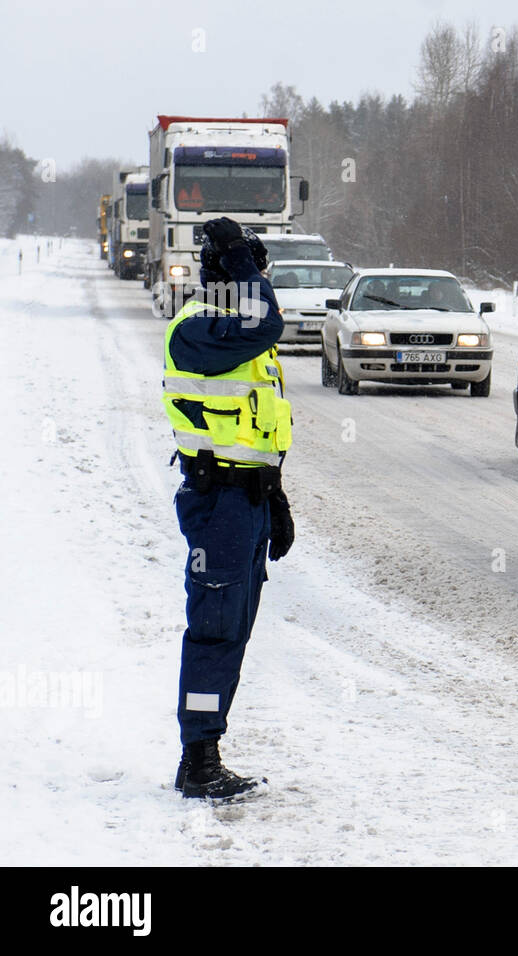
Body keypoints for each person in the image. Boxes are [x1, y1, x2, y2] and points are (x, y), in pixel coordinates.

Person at [162, 217, 295, 800]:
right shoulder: (197, 330)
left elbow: (252, 424)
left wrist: (275, 490)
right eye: (251, 272)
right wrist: (241, 264)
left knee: (233, 630)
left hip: (247, 500)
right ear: (231, 278)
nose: (259, 281)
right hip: (219, 505)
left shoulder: (239, 341)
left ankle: (208, 748)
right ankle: (198, 758)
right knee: (214, 631)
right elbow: (266, 320)